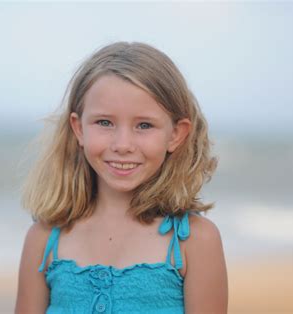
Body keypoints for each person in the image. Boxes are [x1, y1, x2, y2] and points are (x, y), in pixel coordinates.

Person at [15, 41, 228, 314]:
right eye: (104, 122)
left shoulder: (195, 241)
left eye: (144, 125)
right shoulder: (44, 240)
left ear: (176, 134)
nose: (122, 144)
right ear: (78, 128)